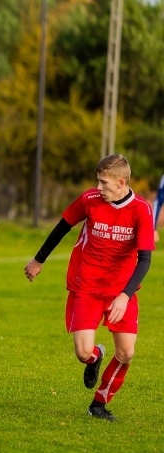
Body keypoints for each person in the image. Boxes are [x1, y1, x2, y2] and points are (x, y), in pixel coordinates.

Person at [24, 154, 154, 422]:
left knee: (126, 352)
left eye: (104, 183)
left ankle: (99, 404)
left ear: (121, 183)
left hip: (120, 290)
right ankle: (96, 358)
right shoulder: (89, 200)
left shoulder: (141, 209)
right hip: (86, 285)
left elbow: (144, 259)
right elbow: (62, 227)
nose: (99, 188)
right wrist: (38, 260)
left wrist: (124, 296)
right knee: (83, 352)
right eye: (98, 181)